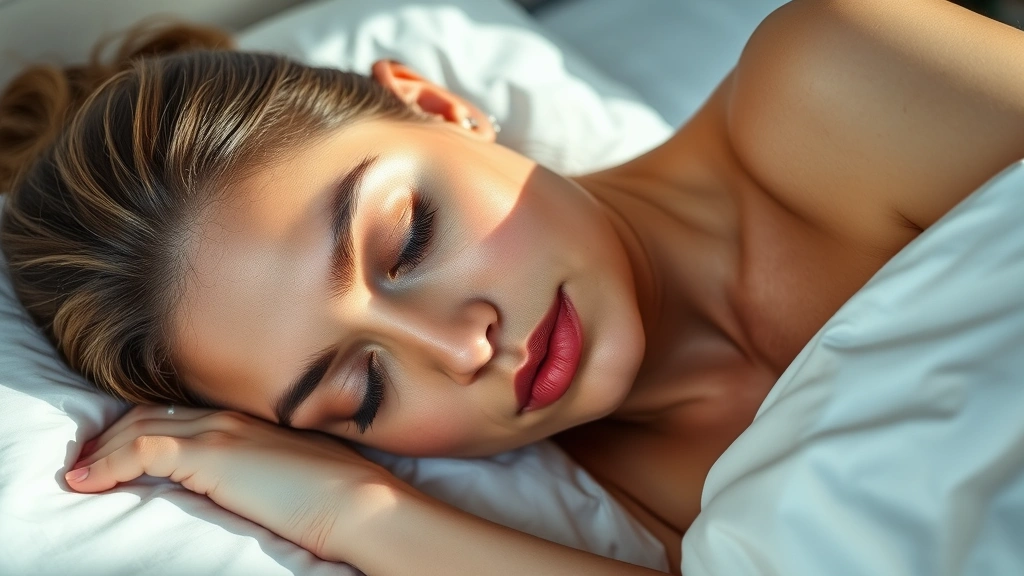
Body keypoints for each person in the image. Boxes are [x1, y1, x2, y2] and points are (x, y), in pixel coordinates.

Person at [1, 0, 1022, 573]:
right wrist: (350, 515)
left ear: (440, 106)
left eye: (409, 240)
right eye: (360, 389)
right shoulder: (623, 505)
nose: (462, 351)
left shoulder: (838, 76)